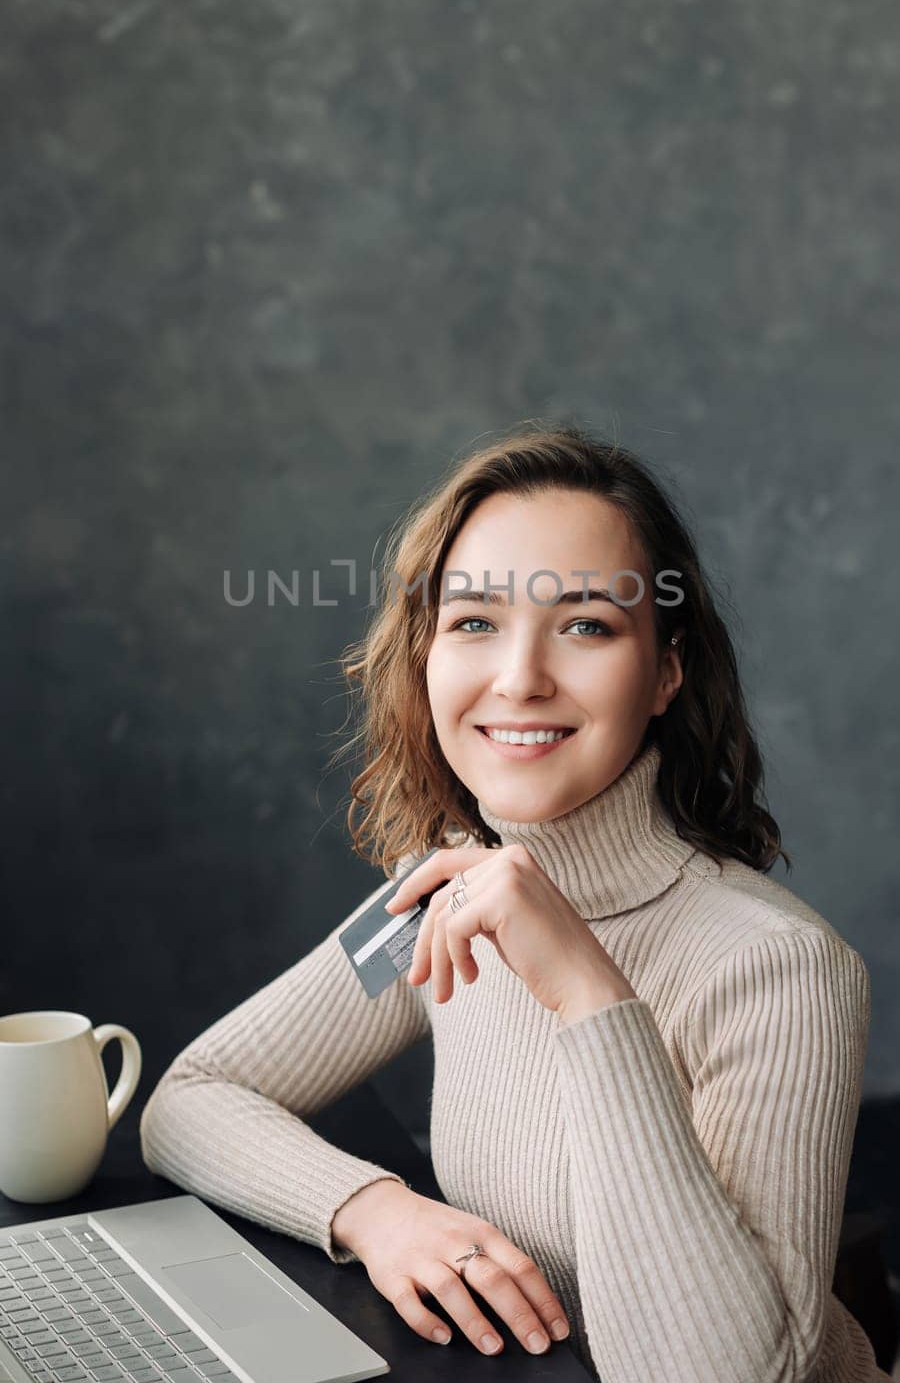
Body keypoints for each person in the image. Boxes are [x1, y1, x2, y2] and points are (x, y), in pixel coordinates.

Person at [139, 422, 888, 1382]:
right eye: (474, 622)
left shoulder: (781, 967)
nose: (521, 679)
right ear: (426, 657)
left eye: (585, 625)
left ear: (667, 670)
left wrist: (588, 991)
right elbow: (191, 1101)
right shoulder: (445, 886)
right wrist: (377, 1214)